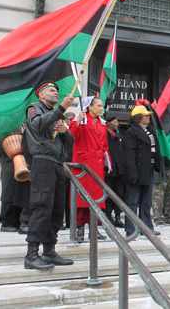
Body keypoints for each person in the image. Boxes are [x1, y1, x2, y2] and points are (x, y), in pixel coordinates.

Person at [24, 81, 75, 270]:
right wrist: (62, 107)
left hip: (57, 164)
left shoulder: (57, 115)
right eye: (51, 90)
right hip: (43, 161)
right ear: (41, 95)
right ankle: (31, 254)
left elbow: (70, 141)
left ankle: (49, 251)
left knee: (56, 209)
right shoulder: (35, 109)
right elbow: (37, 125)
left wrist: (65, 131)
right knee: (42, 205)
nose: (56, 92)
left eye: (57, 91)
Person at [70, 97, 111, 243]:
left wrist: (108, 162)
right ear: (90, 107)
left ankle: (94, 229)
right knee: (81, 200)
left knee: (96, 200)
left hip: (97, 167)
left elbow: (104, 146)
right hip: (84, 166)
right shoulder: (81, 120)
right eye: (99, 106)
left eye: (102, 106)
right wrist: (77, 121)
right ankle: (79, 230)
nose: (102, 108)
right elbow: (71, 136)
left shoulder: (102, 123)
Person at [123, 106, 161, 236]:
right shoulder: (131, 133)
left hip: (148, 169)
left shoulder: (150, 131)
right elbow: (129, 155)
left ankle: (146, 227)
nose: (148, 117)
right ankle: (130, 228)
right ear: (138, 118)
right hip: (137, 171)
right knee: (132, 200)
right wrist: (132, 172)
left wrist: (158, 164)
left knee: (146, 200)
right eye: (145, 115)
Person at [105, 115, 126, 228]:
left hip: (120, 170)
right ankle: (108, 216)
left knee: (119, 194)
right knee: (108, 195)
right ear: (108, 123)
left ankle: (118, 217)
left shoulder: (119, 136)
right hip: (110, 170)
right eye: (114, 122)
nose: (117, 123)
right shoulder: (105, 135)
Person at [0, 141, 21, 232]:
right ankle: (7, 222)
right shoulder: (5, 129)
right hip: (9, 163)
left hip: (20, 164)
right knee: (8, 193)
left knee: (19, 193)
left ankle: (17, 221)